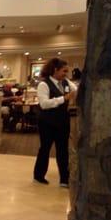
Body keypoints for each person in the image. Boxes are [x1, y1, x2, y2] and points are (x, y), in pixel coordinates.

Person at [33, 58, 77, 187]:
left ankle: (64, 179)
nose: (66, 74)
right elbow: (44, 104)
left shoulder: (66, 82)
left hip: (63, 121)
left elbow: (76, 90)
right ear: (55, 70)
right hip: (47, 122)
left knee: (63, 150)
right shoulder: (43, 84)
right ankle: (39, 176)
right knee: (45, 149)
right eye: (64, 71)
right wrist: (63, 99)